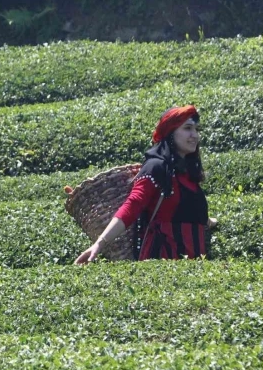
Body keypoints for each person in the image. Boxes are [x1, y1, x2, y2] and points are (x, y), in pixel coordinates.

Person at [75, 105, 217, 264]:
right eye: (187, 128)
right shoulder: (156, 167)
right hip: (164, 260)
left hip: (194, 262)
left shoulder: (187, 174)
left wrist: (210, 222)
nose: (194, 135)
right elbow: (133, 204)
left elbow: (191, 213)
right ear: (170, 132)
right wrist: (100, 244)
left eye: (196, 129)